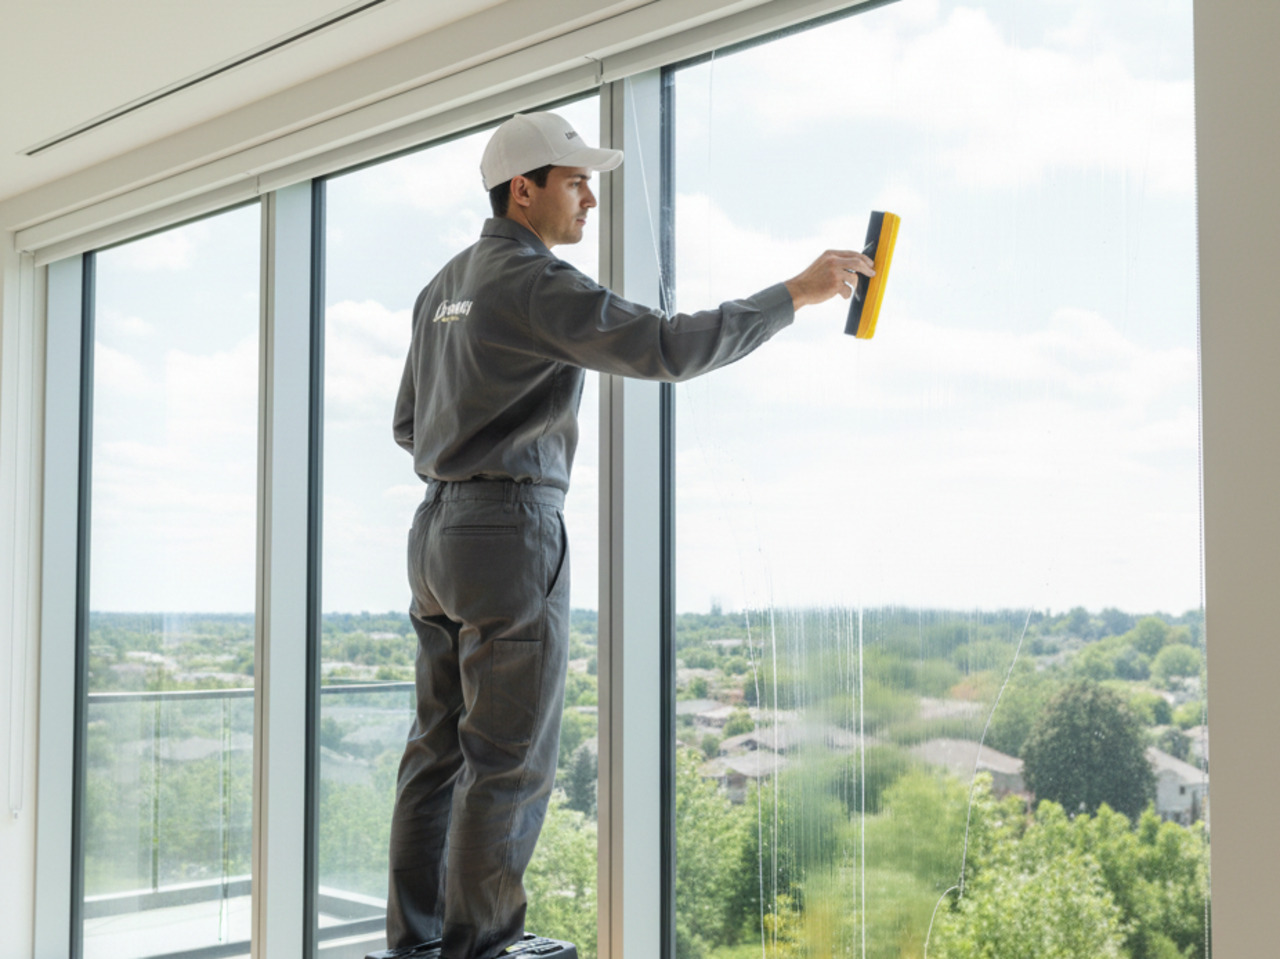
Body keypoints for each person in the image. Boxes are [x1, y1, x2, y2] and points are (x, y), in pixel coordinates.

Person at [379, 111, 874, 959]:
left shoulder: (443, 287)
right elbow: (666, 346)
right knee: (507, 760)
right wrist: (795, 292)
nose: (591, 200)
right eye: (576, 182)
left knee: (436, 753)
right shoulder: (534, 282)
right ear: (523, 189)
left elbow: (405, 424)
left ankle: (415, 943)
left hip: (435, 532)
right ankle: (479, 947)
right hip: (506, 531)